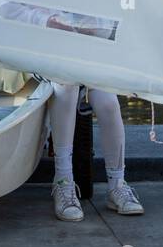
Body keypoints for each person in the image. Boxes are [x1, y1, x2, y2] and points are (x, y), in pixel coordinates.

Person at [48, 83, 142, 221]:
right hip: (50, 65)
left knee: (107, 101)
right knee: (66, 89)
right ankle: (62, 181)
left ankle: (117, 183)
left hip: (84, 64)